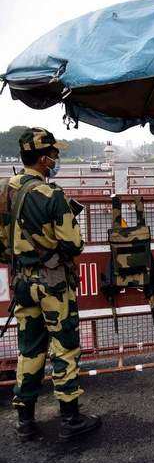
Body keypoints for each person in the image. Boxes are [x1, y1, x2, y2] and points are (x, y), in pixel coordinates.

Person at [6, 128, 101, 441]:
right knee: (64, 348)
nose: (57, 159)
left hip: (21, 281)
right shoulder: (52, 194)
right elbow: (73, 245)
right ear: (44, 158)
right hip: (53, 285)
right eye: (55, 154)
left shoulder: (6, 190)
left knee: (29, 349)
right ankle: (70, 418)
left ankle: (24, 420)